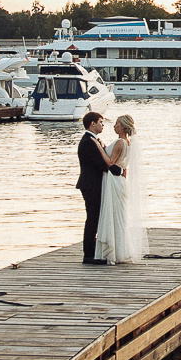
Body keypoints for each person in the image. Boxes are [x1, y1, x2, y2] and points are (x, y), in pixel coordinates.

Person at [103, 113, 150, 264]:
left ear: (123, 126)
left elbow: (110, 162)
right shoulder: (129, 143)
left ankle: (116, 250)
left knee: (115, 215)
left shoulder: (120, 142)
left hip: (114, 181)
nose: (114, 126)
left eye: (117, 124)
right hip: (121, 181)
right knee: (120, 216)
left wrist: (99, 148)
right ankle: (122, 249)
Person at [76, 111, 112, 264]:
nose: (102, 125)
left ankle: (93, 251)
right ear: (92, 124)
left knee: (95, 217)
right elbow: (99, 164)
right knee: (92, 217)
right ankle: (89, 254)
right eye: (100, 122)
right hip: (90, 185)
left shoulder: (93, 140)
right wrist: (115, 168)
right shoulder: (88, 142)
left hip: (94, 184)